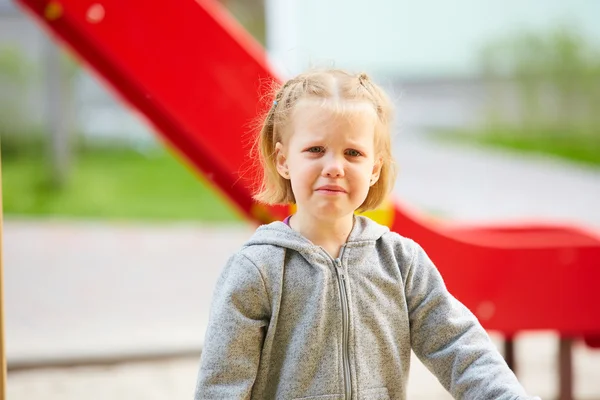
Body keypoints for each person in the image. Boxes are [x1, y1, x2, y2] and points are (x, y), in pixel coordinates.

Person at [194, 69, 539, 399]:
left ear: (374, 169)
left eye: (353, 153)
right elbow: (221, 384)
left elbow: (459, 347)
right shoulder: (258, 269)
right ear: (283, 160)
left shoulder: (401, 262)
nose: (334, 167)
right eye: (315, 149)